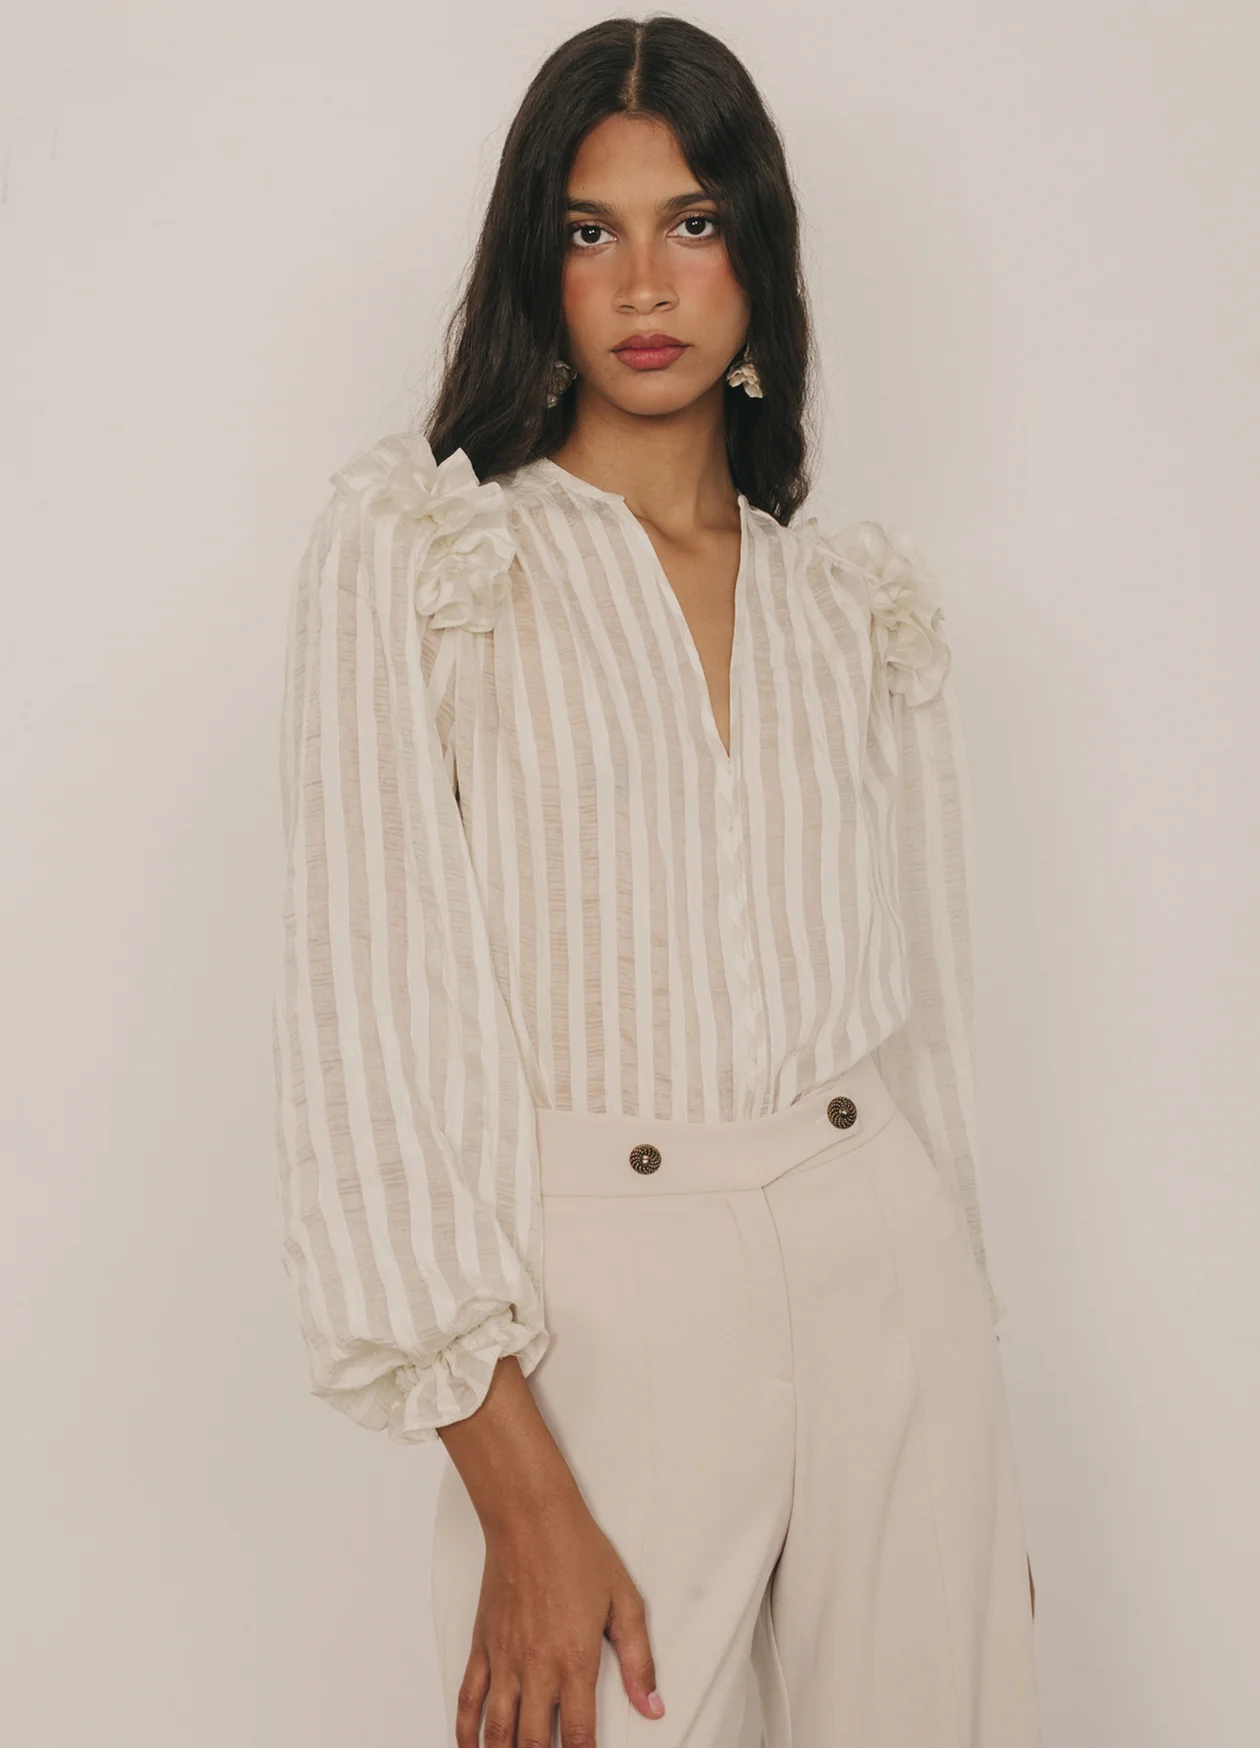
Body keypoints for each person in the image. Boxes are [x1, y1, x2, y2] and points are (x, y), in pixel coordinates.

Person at [271, 14, 1041, 1747]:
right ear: (532, 266)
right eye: (589, 229)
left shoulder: (850, 603)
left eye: (693, 222)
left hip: (886, 1270)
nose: (643, 282)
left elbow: (927, 1037)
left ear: (757, 252)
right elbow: (364, 1033)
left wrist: (970, 1446)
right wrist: (524, 1503)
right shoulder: (428, 560)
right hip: (598, 1310)